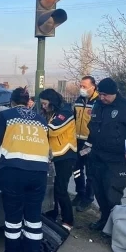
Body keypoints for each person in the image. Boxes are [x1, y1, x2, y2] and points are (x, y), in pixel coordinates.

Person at [0, 87, 50, 252]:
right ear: (28, 102)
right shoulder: (41, 120)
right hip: (39, 172)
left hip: (14, 171)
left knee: (13, 216)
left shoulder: (7, 116)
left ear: (11, 102)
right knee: (33, 217)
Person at [82, 77, 126, 231]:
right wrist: (86, 148)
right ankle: (104, 220)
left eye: (105, 95)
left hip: (117, 160)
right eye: (100, 94)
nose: (102, 97)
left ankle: (116, 228)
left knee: (112, 194)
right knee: (99, 191)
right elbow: (92, 127)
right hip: (97, 156)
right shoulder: (98, 104)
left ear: (114, 93)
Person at [39, 88, 77, 231]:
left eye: (45, 103)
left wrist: (36, 126)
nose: (43, 106)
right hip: (54, 155)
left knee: (61, 189)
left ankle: (68, 221)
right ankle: (52, 214)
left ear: (52, 101)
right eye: (41, 104)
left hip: (66, 155)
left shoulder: (65, 113)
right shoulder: (51, 113)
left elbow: (53, 130)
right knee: (53, 188)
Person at [73, 76, 99, 212]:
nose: (82, 88)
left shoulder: (99, 102)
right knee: (76, 169)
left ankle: (88, 198)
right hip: (77, 141)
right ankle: (80, 192)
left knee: (90, 172)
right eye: (81, 86)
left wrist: (90, 142)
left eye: (84, 86)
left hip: (91, 143)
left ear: (93, 86)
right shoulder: (78, 101)